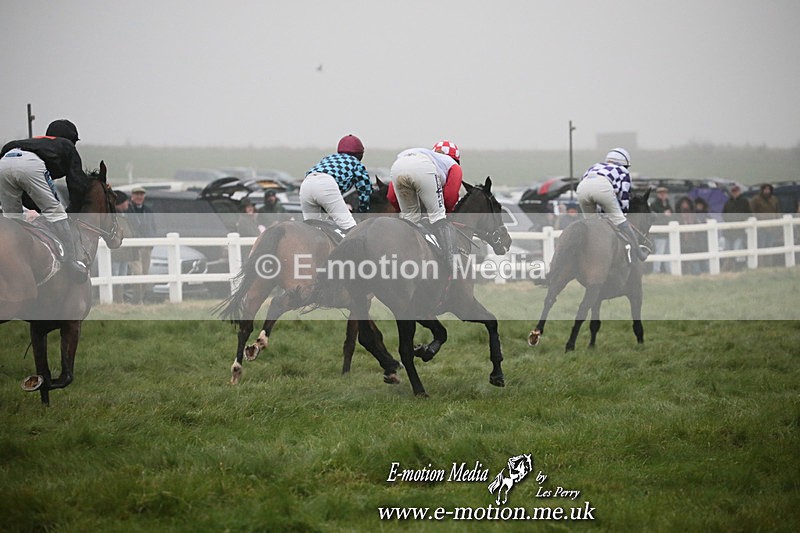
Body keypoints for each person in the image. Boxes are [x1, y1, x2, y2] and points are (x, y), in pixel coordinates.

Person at [0, 119, 92, 282]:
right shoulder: (66, 146)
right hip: (30, 164)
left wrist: (38, 206)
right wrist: (71, 210)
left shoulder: (30, 142)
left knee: (12, 218)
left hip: (4, 162)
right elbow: (77, 182)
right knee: (57, 214)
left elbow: (28, 196)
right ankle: (71, 263)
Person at [387, 140, 463, 261]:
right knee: (438, 217)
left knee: (411, 220)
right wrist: (445, 214)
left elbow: (391, 196)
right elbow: (449, 199)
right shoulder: (454, 166)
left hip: (397, 165)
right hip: (422, 167)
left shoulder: (428, 155)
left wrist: (404, 208)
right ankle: (452, 262)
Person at [575, 147, 649, 261]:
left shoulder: (594, 166)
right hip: (602, 187)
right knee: (620, 220)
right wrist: (623, 214)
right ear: (624, 163)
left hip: (581, 189)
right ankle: (639, 253)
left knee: (591, 225)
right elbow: (624, 196)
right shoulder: (623, 171)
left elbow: (587, 185)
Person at [299, 134, 370, 233]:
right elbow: (365, 190)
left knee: (312, 230)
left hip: (306, 184)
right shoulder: (356, 163)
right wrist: (363, 211)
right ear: (360, 154)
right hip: (325, 184)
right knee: (351, 228)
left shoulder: (327, 158)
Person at [127, 185, 156, 303]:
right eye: (137, 194)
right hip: (134, 248)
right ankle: (136, 300)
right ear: (132, 196)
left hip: (147, 247)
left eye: (141, 194)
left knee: (145, 274)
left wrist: (152, 241)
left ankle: (140, 300)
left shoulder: (148, 210)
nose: (139, 197)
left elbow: (153, 227)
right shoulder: (128, 210)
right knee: (137, 273)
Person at [109, 191, 137, 303]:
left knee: (122, 277)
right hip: (116, 255)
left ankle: (119, 300)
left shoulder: (122, 217)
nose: (128, 204)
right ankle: (115, 300)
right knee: (115, 276)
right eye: (126, 201)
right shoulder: (113, 218)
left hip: (124, 255)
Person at [749, 183, 781, 266]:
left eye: (768, 189)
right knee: (761, 246)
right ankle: (761, 265)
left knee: (770, 246)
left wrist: (778, 222)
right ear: (762, 190)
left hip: (772, 227)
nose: (767, 191)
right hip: (761, 227)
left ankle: (769, 265)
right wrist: (757, 220)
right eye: (765, 189)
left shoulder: (774, 199)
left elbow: (777, 212)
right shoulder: (756, 199)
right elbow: (751, 212)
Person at [722, 185, 751, 271]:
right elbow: (724, 215)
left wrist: (740, 220)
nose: (735, 193)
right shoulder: (728, 203)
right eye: (733, 191)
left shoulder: (744, 202)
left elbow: (749, 214)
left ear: (739, 191)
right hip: (729, 231)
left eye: (736, 191)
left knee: (738, 248)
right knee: (730, 250)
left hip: (739, 230)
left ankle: (739, 267)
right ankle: (733, 268)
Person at [649, 186, 673, 273]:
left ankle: (669, 270)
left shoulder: (667, 204)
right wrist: (663, 214)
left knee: (668, 252)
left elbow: (672, 215)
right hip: (659, 233)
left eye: (664, 193)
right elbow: (653, 217)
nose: (663, 195)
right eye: (661, 193)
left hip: (668, 232)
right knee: (660, 251)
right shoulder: (654, 205)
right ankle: (656, 270)